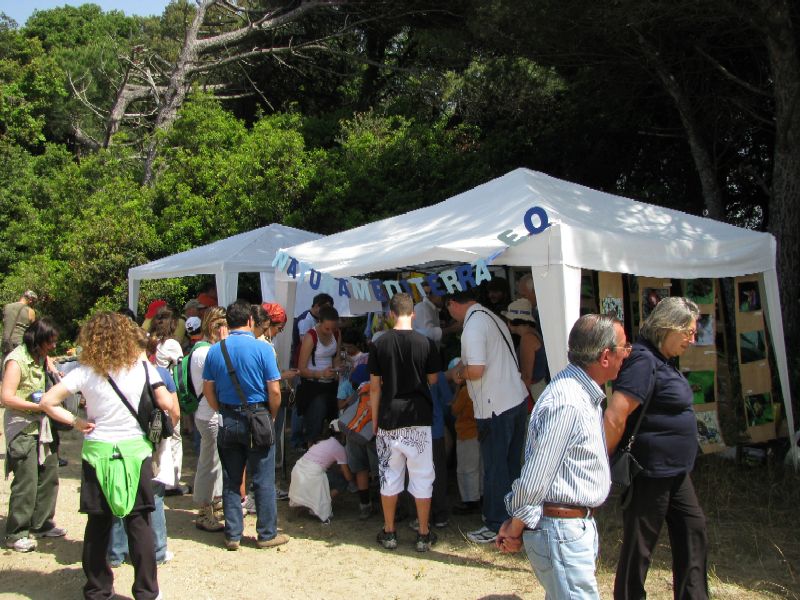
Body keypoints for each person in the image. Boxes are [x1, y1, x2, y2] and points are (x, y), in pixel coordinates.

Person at [41, 311, 176, 600]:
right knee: (139, 523)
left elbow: (48, 401)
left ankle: (98, 589)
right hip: (135, 450)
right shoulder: (143, 367)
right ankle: (146, 591)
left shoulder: (84, 370)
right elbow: (165, 401)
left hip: (97, 450)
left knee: (98, 523)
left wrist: (76, 421)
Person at [496, 314, 629, 599]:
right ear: (605, 356)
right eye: (624, 348)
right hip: (561, 530)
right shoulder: (569, 400)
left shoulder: (580, 393)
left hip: (568, 529)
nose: (626, 355)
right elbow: (537, 474)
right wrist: (516, 524)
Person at [604, 296, 708, 600]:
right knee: (640, 545)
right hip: (650, 471)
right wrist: (601, 461)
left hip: (674, 471)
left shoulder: (662, 360)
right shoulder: (643, 359)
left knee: (693, 528)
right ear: (667, 327)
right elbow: (616, 414)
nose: (692, 339)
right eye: (687, 332)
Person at [202, 300, 289, 550]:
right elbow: (274, 390)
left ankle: (233, 534)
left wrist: (221, 409)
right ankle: (267, 533)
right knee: (263, 477)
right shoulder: (262, 349)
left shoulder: (216, 350)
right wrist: (270, 416)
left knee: (231, 478)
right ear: (251, 320)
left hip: (228, 418)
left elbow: (208, 389)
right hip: (258, 415)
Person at [446, 288, 528, 544]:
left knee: (495, 468)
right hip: (515, 399)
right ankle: (517, 517)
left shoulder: (472, 327)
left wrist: (457, 375)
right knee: (512, 465)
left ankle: (495, 524)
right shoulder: (490, 317)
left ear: (452, 303)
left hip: (495, 406)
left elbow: (476, 369)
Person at [369, 292, 441, 552]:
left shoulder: (379, 344)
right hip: (419, 417)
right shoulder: (426, 343)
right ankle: (423, 533)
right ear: (413, 313)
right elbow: (433, 379)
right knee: (423, 477)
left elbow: (374, 387)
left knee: (389, 476)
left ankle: (389, 532)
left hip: (389, 417)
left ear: (390, 315)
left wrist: (375, 420)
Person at [2, 318, 65, 552]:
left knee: (49, 474)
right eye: (50, 342)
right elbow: (6, 398)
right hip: (22, 427)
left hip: (44, 427)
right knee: (26, 480)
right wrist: (39, 407)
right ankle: (16, 532)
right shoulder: (17, 361)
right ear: (38, 340)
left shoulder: (42, 358)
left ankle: (42, 523)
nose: (53, 346)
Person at [191, 307, 228, 532]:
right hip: (208, 414)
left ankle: (213, 502)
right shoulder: (206, 352)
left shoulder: (202, 349)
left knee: (214, 462)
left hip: (208, 413)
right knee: (208, 464)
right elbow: (218, 380)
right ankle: (204, 511)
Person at [295, 305, 341, 446]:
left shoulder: (337, 333)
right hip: (312, 385)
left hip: (331, 384)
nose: (330, 332)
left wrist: (337, 370)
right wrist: (320, 373)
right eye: (327, 328)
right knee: (315, 420)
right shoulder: (311, 336)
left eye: (333, 328)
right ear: (319, 322)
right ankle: (310, 449)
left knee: (333, 419)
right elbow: (301, 369)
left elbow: (336, 357)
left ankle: (329, 451)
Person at [288, 428, 353, 524]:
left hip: (298, 469)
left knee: (328, 475)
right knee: (343, 481)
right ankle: (322, 502)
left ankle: (307, 503)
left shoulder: (322, 441)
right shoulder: (340, 448)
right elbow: (348, 477)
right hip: (312, 474)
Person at [502, 298, 548, 401]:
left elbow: (527, 376)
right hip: (539, 388)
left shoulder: (527, 339)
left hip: (535, 391)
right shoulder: (532, 333)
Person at [2, 290, 37, 365]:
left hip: (6, 343)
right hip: (19, 345)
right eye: (34, 302)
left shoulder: (7, 307)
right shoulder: (30, 311)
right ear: (30, 300)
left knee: (4, 368)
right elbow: (32, 332)